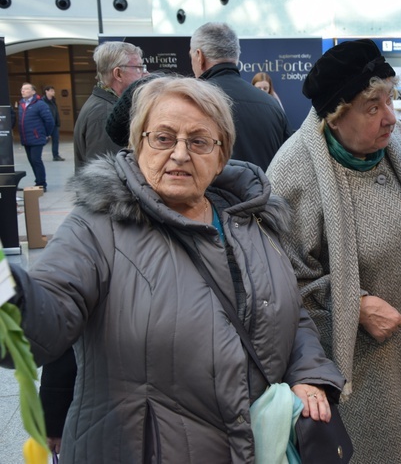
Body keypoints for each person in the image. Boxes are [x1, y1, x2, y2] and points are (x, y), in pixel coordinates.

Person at [3, 76, 344, 463]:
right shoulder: (95, 227)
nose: (181, 153)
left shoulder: (253, 220)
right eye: (163, 138)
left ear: (220, 155)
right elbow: (44, 316)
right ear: (137, 145)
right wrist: (7, 289)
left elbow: (289, 312)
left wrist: (309, 373)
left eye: (199, 141)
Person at [267, 39, 401, 463]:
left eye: (389, 99)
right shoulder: (293, 171)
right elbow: (279, 279)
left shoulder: (396, 144)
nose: (390, 117)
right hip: (352, 369)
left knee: (398, 449)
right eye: (373, 107)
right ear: (336, 117)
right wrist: (354, 303)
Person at [190, 22, 293, 171]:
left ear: (199, 56)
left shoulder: (193, 103)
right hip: (266, 193)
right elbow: (289, 164)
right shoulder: (272, 105)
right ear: (236, 57)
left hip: (210, 193)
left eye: (191, 55)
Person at [73, 41, 146, 172]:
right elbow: (105, 176)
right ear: (118, 74)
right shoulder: (105, 114)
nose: (144, 73)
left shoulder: (105, 105)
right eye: (138, 67)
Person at [16, 82, 54, 191]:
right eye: (22, 89)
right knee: (32, 161)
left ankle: (42, 184)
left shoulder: (40, 104)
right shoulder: (22, 104)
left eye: (26, 89)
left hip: (36, 138)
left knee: (36, 160)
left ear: (33, 91)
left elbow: (49, 121)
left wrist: (46, 134)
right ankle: (38, 181)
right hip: (26, 138)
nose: (23, 91)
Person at [42, 85, 64, 161]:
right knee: (43, 140)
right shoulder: (42, 102)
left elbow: (56, 112)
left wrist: (58, 122)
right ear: (46, 91)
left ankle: (56, 155)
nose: (53, 92)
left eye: (53, 91)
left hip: (54, 124)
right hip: (46, 124)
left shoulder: (53, 101)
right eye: (51, 91)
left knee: (55, 140)